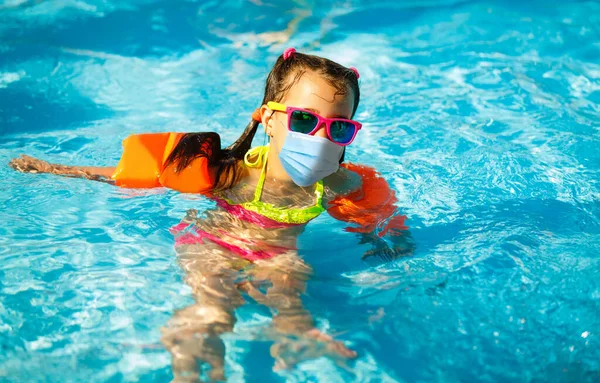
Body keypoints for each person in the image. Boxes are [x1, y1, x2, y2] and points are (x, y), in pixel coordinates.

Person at [9, 47, 412, 382]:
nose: (321, 137)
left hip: (279, 255)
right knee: (213, 312)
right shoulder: (228, 171)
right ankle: (189, 364)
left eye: (338, 128)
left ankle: (295, 336)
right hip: (214, 243)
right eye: (305, 120)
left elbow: (381, 229)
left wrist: (390, 253)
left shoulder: (340, 184)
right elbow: (124, 177)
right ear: (269, 118)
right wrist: (53, 169)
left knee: (292, 287)